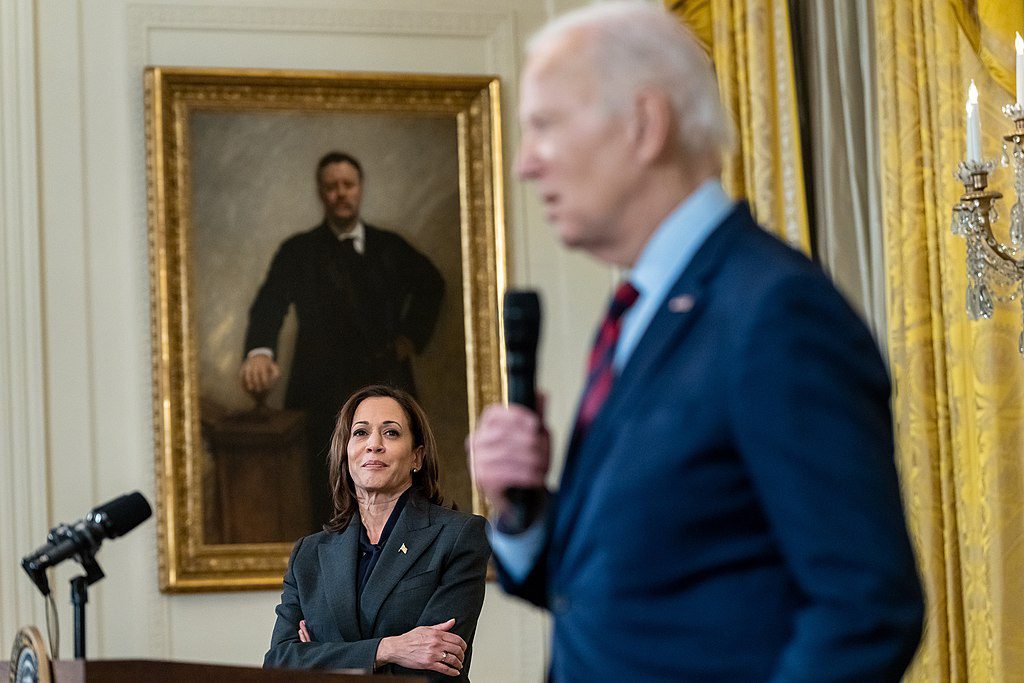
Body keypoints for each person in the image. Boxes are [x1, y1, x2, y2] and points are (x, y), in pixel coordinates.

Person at [468, 3, 924, 681]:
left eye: (545, 125)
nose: (526, 163)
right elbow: (625, 586)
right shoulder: (643, 309)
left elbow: (865, 606)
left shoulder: (775, 311)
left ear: (645, 125)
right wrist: (521, 512)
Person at [240, 152, 445, 529]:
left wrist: (411, 335)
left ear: (360, 189)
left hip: (385, 383)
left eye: (347, 185)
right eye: (331, 187)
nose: (340, 194)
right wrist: (259, 351)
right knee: (326, 493)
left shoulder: (389, 247)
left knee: (398, 489)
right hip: (321, 391)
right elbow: (270, 304)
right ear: (321, 193)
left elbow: (432, 285)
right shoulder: (298, 251)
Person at [264, 385, 490, 680]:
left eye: (391, 433)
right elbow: (279, 663)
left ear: (416, 457)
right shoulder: (308, 554)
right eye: (360, 433)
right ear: (345, 454)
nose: (374, 444)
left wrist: (322, 655)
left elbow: (437, 665)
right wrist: (388, 648)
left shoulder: (459, 536)